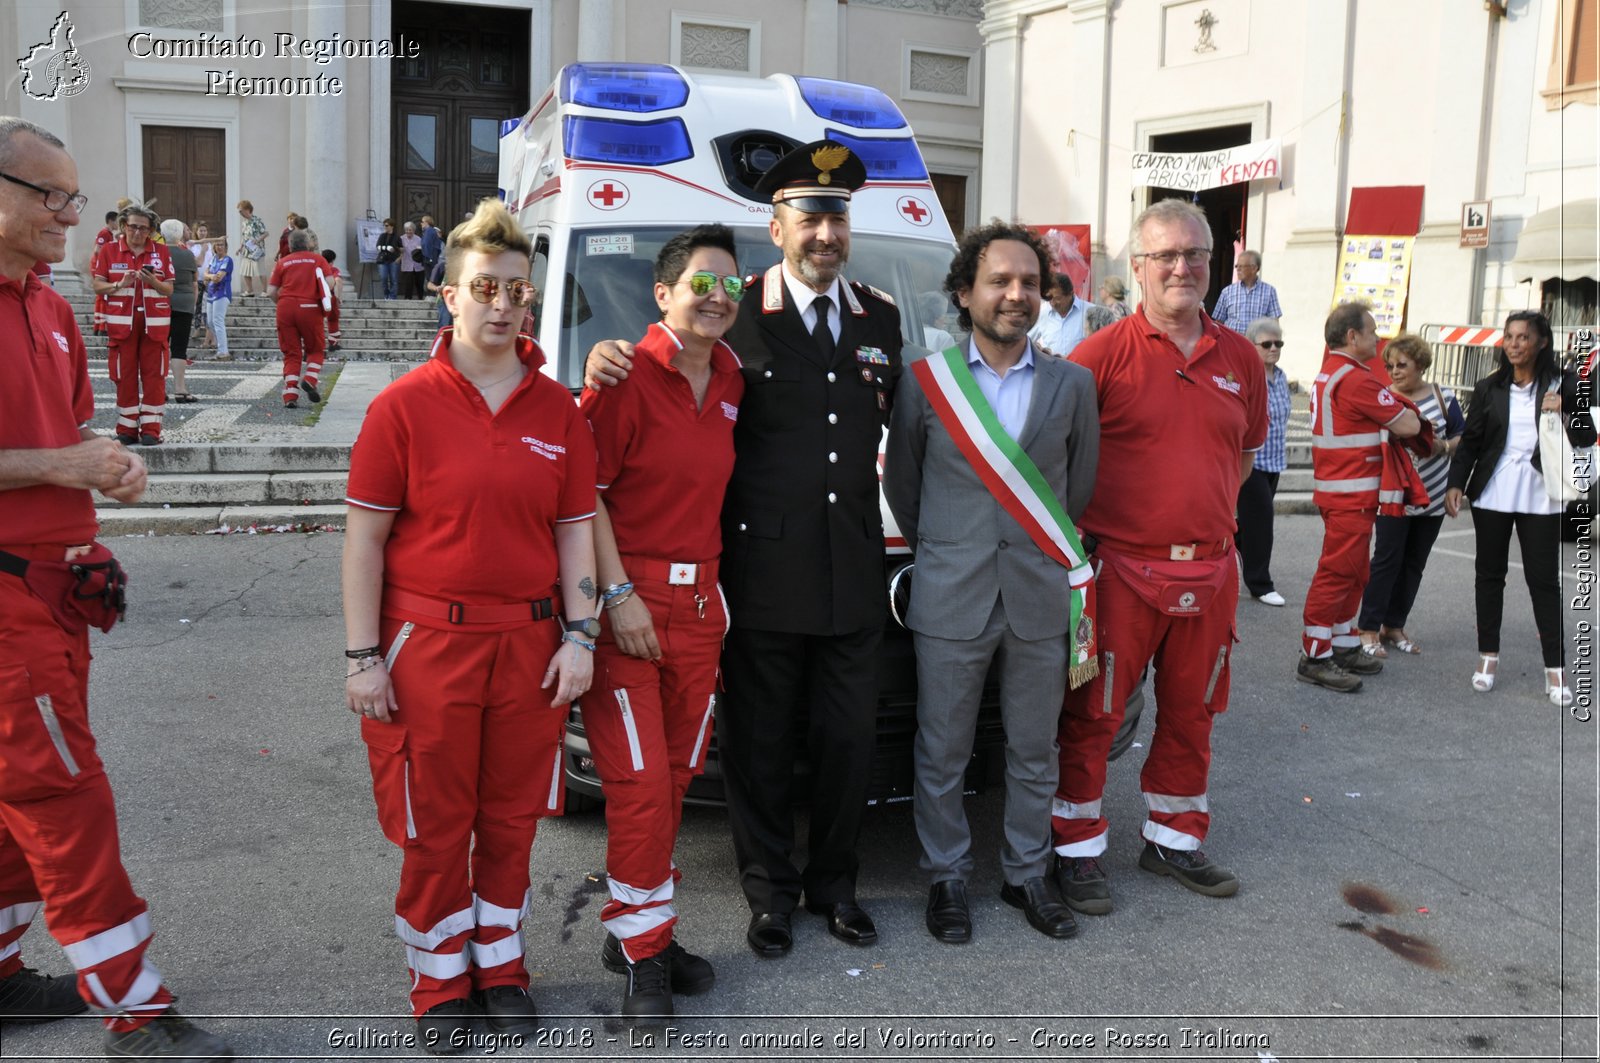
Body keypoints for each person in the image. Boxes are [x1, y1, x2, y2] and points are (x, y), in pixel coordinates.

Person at [585, 141, 899, 957]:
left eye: (836, 217)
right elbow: (669, 378)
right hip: (759, 576)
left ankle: (837, 884)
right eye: (809, 216)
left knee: (847, 742)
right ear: (777, 225)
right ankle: (770, 894)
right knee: (759, 744)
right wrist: (601, 358)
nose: (824, 232)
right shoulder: (735, 310)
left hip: (854, 572)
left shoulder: (881, 317)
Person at [0, 115, 232, 1061]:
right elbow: (53, 455)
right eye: (51, 195)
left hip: (56, 593)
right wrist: (67, 463)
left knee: (18, 792)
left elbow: (66, 447)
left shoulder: (49, 309)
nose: (71, 215)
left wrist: (107, 475)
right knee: (61, 795)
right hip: (8, 608)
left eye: (74, 197)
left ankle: (4, 971)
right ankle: (134, 1006)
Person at [343, 197, 597, 1051]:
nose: (502, 303)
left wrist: (581, 634)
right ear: (449, 295)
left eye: (517, 291)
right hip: (428, 645)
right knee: (434, 820)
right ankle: (438, 974)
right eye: (484, 286)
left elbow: (573, 532)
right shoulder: (401, 407)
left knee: (513, 816)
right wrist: (362, 657)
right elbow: (365, 540)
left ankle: (501, 961)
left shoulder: (558, 410)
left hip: (530, 644)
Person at [883, 222, 1099, 944]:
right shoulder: (925, 384)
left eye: (1030, 282)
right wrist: (951, 551)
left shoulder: (1074, 385)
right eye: (1000, 281)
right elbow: (905, 491)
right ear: (964, 292)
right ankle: (946, 875)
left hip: (1039, 595)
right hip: (952, 595)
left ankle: (1026, 873)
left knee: (1035, 749)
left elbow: (1079, 491)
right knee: (942, 748)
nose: (1016, 294)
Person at [1052, 199, 1266, 908]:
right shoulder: (1098, 356)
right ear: (1138, 268)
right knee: (1095, 712)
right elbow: (1060, 458)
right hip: (1119, 571)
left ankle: (1173, 840)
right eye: (1165, 256)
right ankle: (1076, 849)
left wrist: (1199, 523)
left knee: (1192, 709)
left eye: (1195, 254)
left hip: (1210, 570)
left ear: (1214, 264)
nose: (1182, 266)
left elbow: (1238, 457)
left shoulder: (1240, 357)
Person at [578, 224, 744, 1018]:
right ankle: (647, 959)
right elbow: (584, 497)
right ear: (664, 293)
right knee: (641, 785)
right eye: (702, 284)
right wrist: (618, 597)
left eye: (731, 286)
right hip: (630, 607)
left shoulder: (739, 380)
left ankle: (636, 929)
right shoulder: (622, 375)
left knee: (673, 782)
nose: (718, 298)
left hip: (703, 609)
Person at [1446, 310, 1595, 706]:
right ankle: (1488, 658)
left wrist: (1566, 407)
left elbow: (1588, 435)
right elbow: (1473, 442)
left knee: (1543, 581)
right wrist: (1456, 483)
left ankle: (1556, 670)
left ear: (1541, 342)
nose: (1514, 344)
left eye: (1522, 337)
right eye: (1509, 337)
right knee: (1489, 575)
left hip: (1540, 491)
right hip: (1494, 490)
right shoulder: (1489, 387)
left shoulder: (1563, 382)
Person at [1297, 302, 1424, 693]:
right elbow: (1408, 423)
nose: (1377, 338)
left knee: (1354, 572)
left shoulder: (1333, 374)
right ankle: (1315, 655)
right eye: (1371, 331)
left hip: (1345, 490)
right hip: (1350, 492)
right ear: (1352, 337)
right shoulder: (1355, 379)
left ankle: (1343, 641)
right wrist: (1408, 416)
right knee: (1338, 572)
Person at [1357, 334, 1464, 658]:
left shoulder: (1443, 397)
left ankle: (1395, 625)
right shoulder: (1383, 398)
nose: (1394, 371)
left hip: (1432, 495)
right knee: (1386, 561)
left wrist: (1443, 448)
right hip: (1393, 496)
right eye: (1389, 365)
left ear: (1421, 364)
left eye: (1402, 365)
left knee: (1414, 564)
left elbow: (1463, 435)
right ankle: (1369, 628)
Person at [91, 200, 174, 446]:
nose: (138, 233)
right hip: (121, 326)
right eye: (133, 227)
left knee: (154, 376)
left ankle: (151, 429)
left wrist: (153, 282)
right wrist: (119, 284)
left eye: (144, 229)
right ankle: (126, 429)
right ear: (124, 226)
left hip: (154, 326)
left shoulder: (161, 252)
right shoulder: (109, 251)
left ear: (150, 230)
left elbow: (169, 289)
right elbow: (97, 284)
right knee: (123, 376)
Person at [1236, 318, 1292, 606]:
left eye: (1278, 343)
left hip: (1274, 461)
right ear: (1251, 345)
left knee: (1245, 524)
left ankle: (1225, 560)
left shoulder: (1281, 377)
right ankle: (1260, 584)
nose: (1274, 348)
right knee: (1261, 523)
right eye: (1267, 344)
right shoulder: (1247, 376)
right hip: (1251, 459)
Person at [267, 228, 332, 409]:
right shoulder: (318, 260)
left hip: (285, 308)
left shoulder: (283, 262)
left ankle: (290, 393)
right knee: (316, 349)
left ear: (290, 245)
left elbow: (271, 291)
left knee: (291, 352)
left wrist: (281, 303)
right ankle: (310, 379)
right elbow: (330, 283)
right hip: (310, 308)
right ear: (308, 243)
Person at [158, 220, 198, 405]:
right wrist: (193, 303)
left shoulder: (158, 253)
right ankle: (180, 389)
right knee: (179, 348)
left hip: (161, 304)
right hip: (184, 302)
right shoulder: (188, 254)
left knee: (160, 347)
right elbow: (194, 282)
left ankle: (158, 389)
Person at [1209, 250, 1281, 331]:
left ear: (1254, 268)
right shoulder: (1227, 292)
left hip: (1255, 342)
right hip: (1232, 342)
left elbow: (1274, 322)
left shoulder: (1269, 291)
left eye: (1241, 266)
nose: (1238, 269)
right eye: (1237, 266)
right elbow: (1218, 322)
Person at [1027, 272, 1090, 357]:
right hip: (1050, 368)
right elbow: (1026, 340)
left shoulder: (1089, 312)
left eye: (1057, 298)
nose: (1053, 303)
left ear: (1070, 294)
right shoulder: (1042, 312)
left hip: (1081, 366)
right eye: (1049, 298)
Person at [201, 237, 233, 360]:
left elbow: (219, 277)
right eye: (217, 245)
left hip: (222, 293)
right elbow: (205, 273)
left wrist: (209, 276)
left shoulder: (227, 260)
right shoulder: (214, 259)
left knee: (218, 320)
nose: (219, 247)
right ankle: (222, 346)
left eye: (222, 244)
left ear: (226, 247)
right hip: (211, 293)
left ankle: (223, 351)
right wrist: (210, 276)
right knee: (210, 322)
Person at [187, 222, 214, 348]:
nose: (203, 233)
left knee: (206, 306)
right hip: (196, 279)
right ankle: (197, 327)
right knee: (197, 305)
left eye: (204, 230)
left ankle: (208, 328)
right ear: (196, 231)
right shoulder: (192, 244)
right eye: (200, 230)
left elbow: (211, 261)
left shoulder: (209, 245)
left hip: (207, 279)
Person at [235, 199, 267, 296]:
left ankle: (265, 291)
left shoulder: (257, 220)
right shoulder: (244, 223)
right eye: (239, 211)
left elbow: (266, 233)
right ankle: (250, 290)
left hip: (257, 250)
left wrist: (257, 240)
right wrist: (240, 247)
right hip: (247, 251)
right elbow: (244, 236)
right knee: (245, 271)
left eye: (241, 210)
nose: (240, 213)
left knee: (261, 270)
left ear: (248, 209)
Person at [92, 210, 117, 334]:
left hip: (101, 267)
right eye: (117, 221)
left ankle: (98, 326)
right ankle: (102, 327)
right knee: (103, 296)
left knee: (101, 297)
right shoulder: (104, 233)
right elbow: (98, 249)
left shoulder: (110, 234)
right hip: (100, 267)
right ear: (111, 221)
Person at [320, 248, 343, 351]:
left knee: (315, 321)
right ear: (332, 261)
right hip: (330, 296)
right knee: (333, 319)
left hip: (316, 297)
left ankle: (311, 346)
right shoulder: (333, 270)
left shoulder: (317, 269)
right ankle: (333, 342)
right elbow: (337, 281)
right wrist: (339, 297)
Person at [376, 218, 401, 299]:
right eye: (384, 225)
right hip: (383, 261)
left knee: (394, 280)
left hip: (394, 260)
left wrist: (399, 258)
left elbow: (402, 249)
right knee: (383, 278)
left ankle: (393, 297)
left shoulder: (397, 237)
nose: (385, 227)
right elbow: (378, 247)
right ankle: (386, 295)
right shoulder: (382, 236)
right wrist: (387, 248)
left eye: (387, 225)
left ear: (392, 226)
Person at [400, 221, 424, 299]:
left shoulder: (418, 239)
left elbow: (421, 250)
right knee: (408, 283)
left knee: (419, 283)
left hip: (418, 265)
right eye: (407, 230)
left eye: (410, 230)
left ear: (413, 230)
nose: (408, 231)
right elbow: (398, 249)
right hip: (407, 264)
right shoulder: (401, 238)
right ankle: (407, 299)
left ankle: (420, 298)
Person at [426, 257, 451, 329]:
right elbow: (429, 284)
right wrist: (437, 288)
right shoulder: (442, 266)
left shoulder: (464, 267)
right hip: (444, 300)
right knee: (446, 325)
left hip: (461, 301)